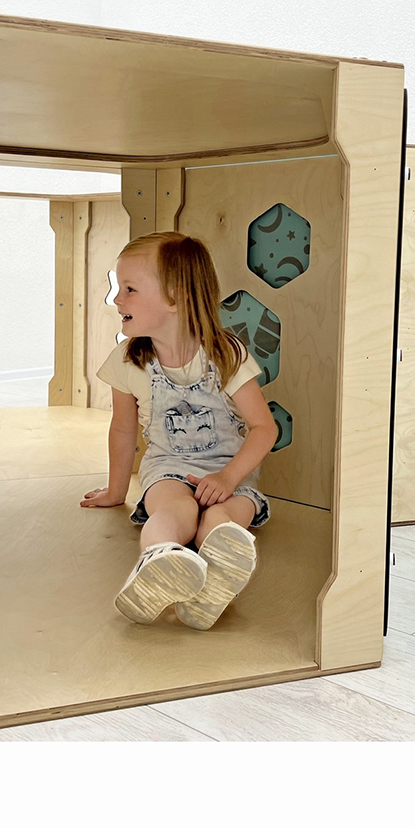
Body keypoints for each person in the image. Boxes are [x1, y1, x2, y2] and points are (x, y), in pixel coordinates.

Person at [80, 231, 277, 630]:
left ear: (174, 297)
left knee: (223, 517)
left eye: (130, 289)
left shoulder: (225, 355)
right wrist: (116, 491)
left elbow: (263, 428)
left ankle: (218, 578)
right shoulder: (128, 360)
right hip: (169, 469)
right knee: (174, 510)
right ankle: (160, 560)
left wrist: (228, 477)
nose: (117, 299)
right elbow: (123, 430)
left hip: (229, 470)